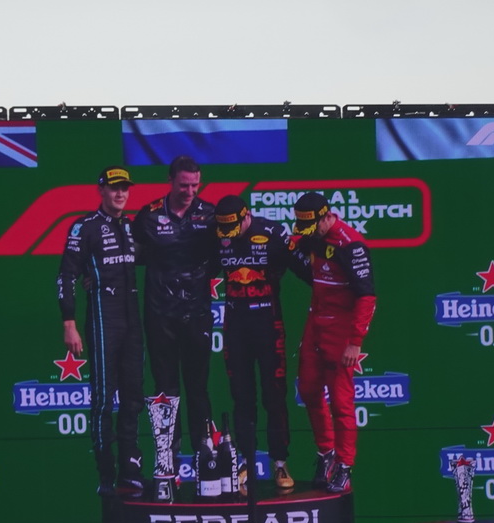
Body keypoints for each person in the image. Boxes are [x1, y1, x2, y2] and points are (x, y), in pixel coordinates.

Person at [56, 166, 144, 495]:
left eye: (125, 189)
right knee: (104, 401)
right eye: (114, 188)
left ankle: (131, 469)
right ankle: (106, 473)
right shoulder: (85, 227)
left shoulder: (132, 227)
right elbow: (65, 275)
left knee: (134, 398)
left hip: (132, 321)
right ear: (102, 190)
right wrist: (69, 323)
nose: (120, 194)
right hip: (103, 320)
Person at [214, 194, 310, 490]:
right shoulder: (219, 234)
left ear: (246, 216)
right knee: (242, 397)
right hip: (235, 324)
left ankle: (280, 463)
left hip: (268, 323)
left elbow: (307, 269)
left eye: (235, 228)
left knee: (275, 395)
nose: (230, 236)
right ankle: (244, 461)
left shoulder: (274, 233)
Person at [132, 155, 218, 469]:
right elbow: (128, 254)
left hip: (197, 313)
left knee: (197, 386)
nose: (190, 191)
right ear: (170, 181)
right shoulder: (149, 215)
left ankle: (203, 452)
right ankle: (167, 454)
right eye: (184, 185)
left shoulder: (210, 215)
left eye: (195, 185)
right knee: (165, 387)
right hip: (160, 314)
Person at [290, 192, 377, 493]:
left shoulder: (350, 244)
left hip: (341, 332)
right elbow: (306, 269)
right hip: (315, 323)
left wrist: (355, 342)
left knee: (341, 402)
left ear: (327, 217)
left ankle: (344, 464)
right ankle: (325, 452)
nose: (307, 233)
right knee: (309, 389)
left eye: (312, 226)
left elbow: (367, 296)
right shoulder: (311, 236)